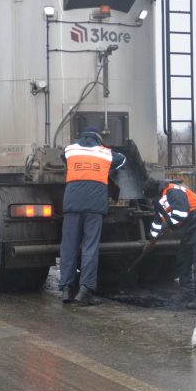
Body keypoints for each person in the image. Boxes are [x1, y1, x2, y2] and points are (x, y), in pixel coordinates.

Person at [59, 127, 126, 305]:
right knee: (90, 247)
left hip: (72, 205)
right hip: (94, 206)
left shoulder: (70, 149)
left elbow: (62, 158)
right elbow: (123, 160)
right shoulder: (106, 153)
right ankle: (85, 291)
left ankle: (66, 289)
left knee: (68, 246)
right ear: (98, 139)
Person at [143, 177, 196, 309]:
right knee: (183, 259)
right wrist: (151, 239)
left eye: (150, 198)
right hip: (189, 228)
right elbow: (158, 220)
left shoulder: (173, 191)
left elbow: (181, 213)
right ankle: (186, 293)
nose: (150, 201)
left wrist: (169, 225)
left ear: (154, 192)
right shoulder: (159, 199)